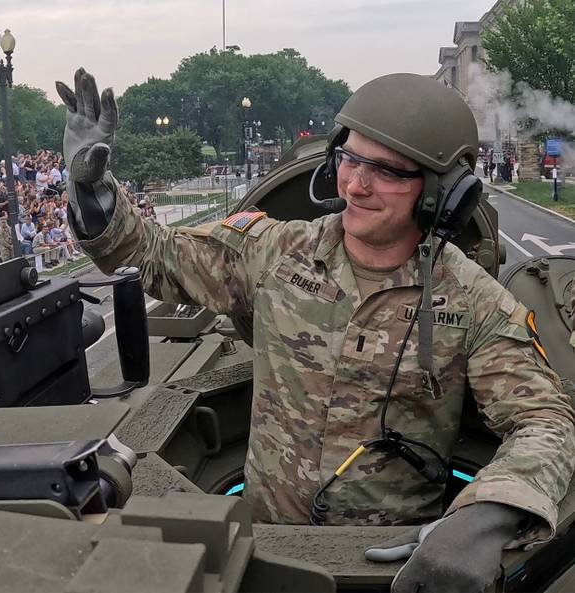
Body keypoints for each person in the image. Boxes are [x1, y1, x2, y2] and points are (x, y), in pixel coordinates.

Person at [56, 69, 575, 593]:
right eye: (349, 158)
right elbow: (151, 252)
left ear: (441, 194)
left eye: (387, 171)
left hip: (392, 569)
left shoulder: (474, 302)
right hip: (261, 554)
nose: (355, 184)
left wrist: (485, 517)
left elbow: (545, 420)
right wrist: (92, 189)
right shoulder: (274, 252)